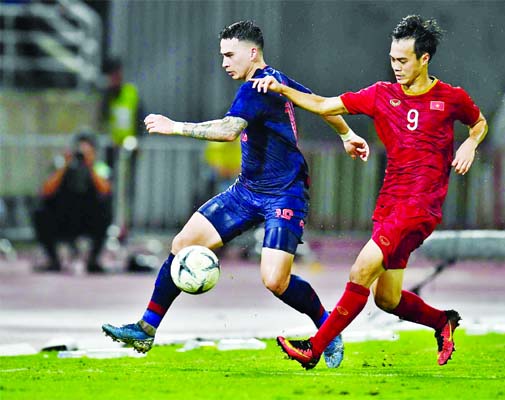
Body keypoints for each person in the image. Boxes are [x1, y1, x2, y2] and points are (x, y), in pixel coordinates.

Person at [101, 20, 369, 369]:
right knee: (183, 243)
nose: (224, 62)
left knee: (275, 280)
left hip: (284, 194)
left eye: (230, 55)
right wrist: (346, 134)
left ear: (252, 52)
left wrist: (175, 127)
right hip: (247, 191)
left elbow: (230, 130)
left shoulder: (257, 87)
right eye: (222, 55)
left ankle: (328, 328)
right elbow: (321, 103)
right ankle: (146, 327)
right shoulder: (274, 79)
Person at [252, 15, 488, 369]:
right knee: (387, 299)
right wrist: (282, 89)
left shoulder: (451, 98)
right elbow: (323, 104)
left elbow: (480, 122)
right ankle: (442, 321)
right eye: (392, 59)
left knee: (360, 271)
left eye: (403, 60)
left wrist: (470, 143)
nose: (396, 67)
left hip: (420, 206)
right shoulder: (382, 95)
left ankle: (315, 348)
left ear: (424, 60)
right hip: (390, 203)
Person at [33, 133, 112, 273]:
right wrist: (65, 166)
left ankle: (93, 260)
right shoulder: (61, 165)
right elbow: (46, 190)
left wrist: (90, 166)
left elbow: (105, 190)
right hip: (63, 218)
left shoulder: (99, 167)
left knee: (105, 211)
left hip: (88, 219)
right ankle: (53, 260)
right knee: (39, 213)